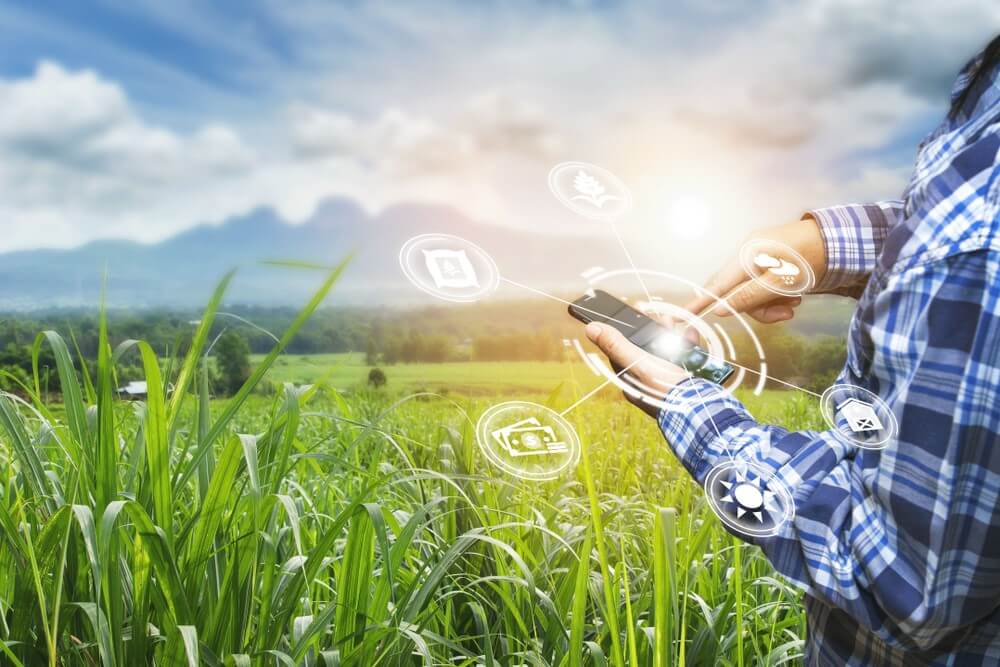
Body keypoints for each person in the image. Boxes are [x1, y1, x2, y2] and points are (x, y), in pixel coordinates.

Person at [585, 35, 1000, 666]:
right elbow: (954, 231)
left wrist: (687, 403)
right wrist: (829, 245)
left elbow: (906, 587)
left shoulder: (981, 244)